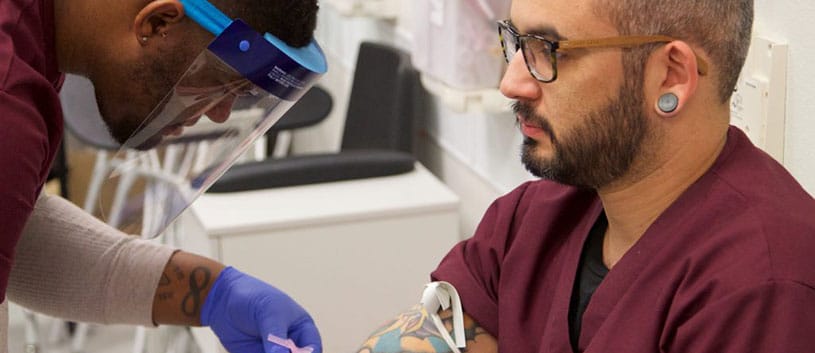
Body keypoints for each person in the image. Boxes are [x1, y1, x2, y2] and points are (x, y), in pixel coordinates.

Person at [358, 0, 815, 352]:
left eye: (547, 50)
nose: (511, 83)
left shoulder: (764, 288)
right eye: (516, 42)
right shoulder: (533, 219)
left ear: (671, 75)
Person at [0, 0, 324, 352]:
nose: (219, 114)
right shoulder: (8, 111)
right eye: (220, 85)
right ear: (157, 23)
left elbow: (15, 230)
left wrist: (212, 293)